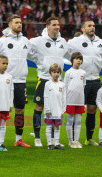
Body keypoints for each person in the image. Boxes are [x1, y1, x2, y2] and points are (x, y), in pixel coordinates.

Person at [0, 15, 33, 147]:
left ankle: (18, 139)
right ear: (9, 25)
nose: (20, 24)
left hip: (20, 81)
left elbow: (32, 56)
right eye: (16, 22)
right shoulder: (2, 41)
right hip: (5, 81)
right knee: (1, 110)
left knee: (20, 110)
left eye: (20, 22)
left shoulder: (26, 40)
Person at [69, 20, 102, 146]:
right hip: (80, 80)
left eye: (93, 26)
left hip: (95, 80)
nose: (92, 28)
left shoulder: (101, 43)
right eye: (89, 26)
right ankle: (72, 139)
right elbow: (65, 48)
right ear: (83, 29)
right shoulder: (76, 41)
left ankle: (89, 138)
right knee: (77, 109)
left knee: (92, 109)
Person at [29, 17, 71, 147]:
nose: (57, 27)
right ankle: (37, 137)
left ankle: (53, 139)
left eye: (58, 24)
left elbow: (69, 55)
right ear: (47, 26)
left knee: (55, 109)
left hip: (58, 81)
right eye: (54, 25)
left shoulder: (63, 41)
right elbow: (27, 50)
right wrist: (39, 62)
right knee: (39, 107)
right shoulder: (39, 41)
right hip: (43, 79)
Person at [63, 52, 86, 148]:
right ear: (72, 60)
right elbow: (65, 87)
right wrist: (64, 101)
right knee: (70, 121)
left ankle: (76, 141)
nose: (79, 60)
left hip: (80, 101)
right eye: (77, 58)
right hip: (70, 101)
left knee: (78, 122)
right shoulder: (68, 72)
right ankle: (70, 141)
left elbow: (83, 86)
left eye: (80, 59)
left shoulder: (83, 73)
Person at [44, 64, 66, 150]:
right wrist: (47, 109)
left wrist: (63, 110)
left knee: (57, 127)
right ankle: (49, 144)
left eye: (57, 72)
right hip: (50, 110)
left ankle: (56, 143)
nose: (56, 74)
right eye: (54, 72)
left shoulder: (62, 85)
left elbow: (64, 97)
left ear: (60, 73)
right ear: (50, 73)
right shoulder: (47, 84)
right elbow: (45, 97)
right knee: (49, 126)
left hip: (58, 110)